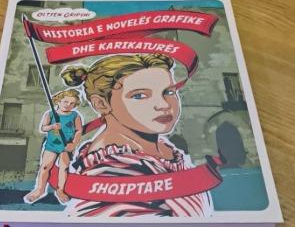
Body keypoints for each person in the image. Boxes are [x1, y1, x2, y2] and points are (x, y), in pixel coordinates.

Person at [60, 54, 214, 217]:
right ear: (101, 104)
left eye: (168, 91)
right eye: (139, 95)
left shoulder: (162, 148)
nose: (163, 105)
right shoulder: (111, 173)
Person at [24, 89, 83, 204]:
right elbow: (43, 128)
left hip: (66, 146)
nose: (68, 105)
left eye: (72, 103)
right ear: (58, 101)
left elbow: (79, 130)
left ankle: (60, 190)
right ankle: (40, 190)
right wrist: (52, 127)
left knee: (63, 168)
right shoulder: (50, 114)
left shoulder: (75, 115)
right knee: (45, 167)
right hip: (52, 145)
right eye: (66, 102)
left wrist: (73, 144)